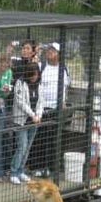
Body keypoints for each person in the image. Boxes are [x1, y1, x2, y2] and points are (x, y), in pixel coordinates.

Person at [32, 41, 71, 177]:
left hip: (57, 109)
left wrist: (64, 102)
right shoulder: (42, 67)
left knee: (54, 139)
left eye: (53, 51)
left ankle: (51, 167)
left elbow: (66, 87)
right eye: (49, 50)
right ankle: (38, 167)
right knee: (40, 138)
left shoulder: (64, 69)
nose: (50, 52)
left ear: (58, 54)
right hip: (43, 109)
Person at [11, 62, 43, 184]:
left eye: (36, 74)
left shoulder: (39, 84)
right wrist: (32, 115)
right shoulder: (20, 83)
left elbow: (41, 101)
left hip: (34, 121)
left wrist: (39, 115)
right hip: (21, 121)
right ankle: (14, 172)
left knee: (28, 147)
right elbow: (20, 102)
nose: (34, 77)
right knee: (22, 146)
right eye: (32, 75)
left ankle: (21, 170)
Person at [0, 54, 13, 182]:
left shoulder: (9, 72)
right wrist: (0, 89)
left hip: (1, 106)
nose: (4, 67)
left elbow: (6, 91)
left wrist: (6, 90)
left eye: (7, 65)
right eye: (2, 64)